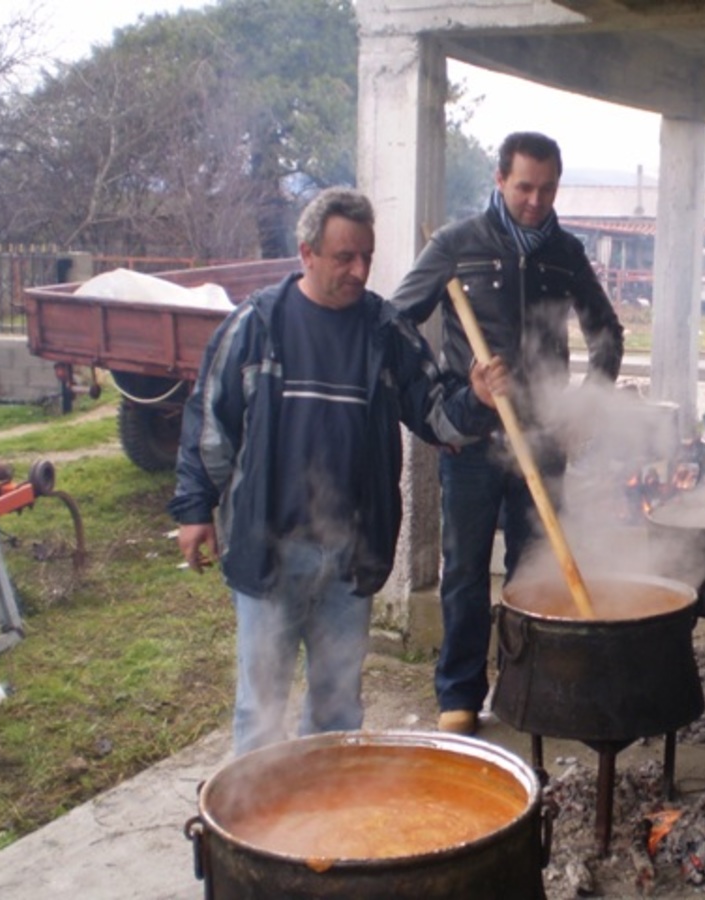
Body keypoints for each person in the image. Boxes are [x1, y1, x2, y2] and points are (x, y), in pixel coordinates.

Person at [168, 187, 507, 756]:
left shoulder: (384, 330)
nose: (359, 270)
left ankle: (324, 824)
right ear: (306, 254)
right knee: (260, 709)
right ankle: (259, 831)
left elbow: (433, 415)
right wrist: (194, 508)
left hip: (352, 555)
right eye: (344, 257)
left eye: (367, 257)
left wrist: (473, 399)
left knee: (337, 709)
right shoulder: (258, 324)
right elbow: (210, 418)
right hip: (270, 545)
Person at [391, 131, 624, 735]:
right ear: (500, 180)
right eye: (524, 186)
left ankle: (525, 685)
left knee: (533, 569)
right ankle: (460, 693)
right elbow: (396, 325)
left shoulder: (565, 253)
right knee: (466, 571)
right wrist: (444, 398)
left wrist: (583, 408)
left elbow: (608, 334)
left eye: (547, 188)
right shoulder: (456, 245)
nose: (536, 200)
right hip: (471, 441)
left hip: (543, 441)